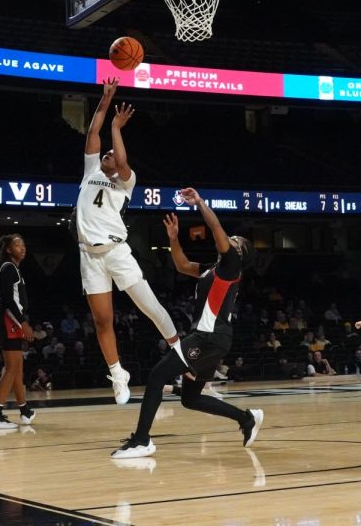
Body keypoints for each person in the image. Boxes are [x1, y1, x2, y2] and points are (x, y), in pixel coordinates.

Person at [111, 190, 263, 459]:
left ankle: (142, 440)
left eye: (234, 240)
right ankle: (246, 418)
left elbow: (215, 227)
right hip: (212, 339)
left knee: (157, 376)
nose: (229, 239)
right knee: (190, 399)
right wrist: (173, 239)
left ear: (239, 251)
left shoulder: (231, 265)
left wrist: (199, 203)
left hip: (207, 337)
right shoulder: (212, 269)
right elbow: (182, 265)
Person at [75, 79, 179, 405]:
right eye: (104, 153)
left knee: (149, 307)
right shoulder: (91, 169)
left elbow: (121, 160)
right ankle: (118, 374)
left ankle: (181, 350)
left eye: (110, 153)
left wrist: (118, 129)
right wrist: (106, 101)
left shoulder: (126, 182)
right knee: (102, 321)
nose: (106, 154)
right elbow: (93, 133)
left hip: (117, 252)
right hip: (89, 256)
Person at [0, 234, 37, 430]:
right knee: (12, 368)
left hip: (9, 320)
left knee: (17, 367)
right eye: (17, 245)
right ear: (8, 249)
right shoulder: (8, 268)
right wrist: (23, 323)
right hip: (8, 320)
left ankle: (24, 410)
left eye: (23, 244)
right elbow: (8, 301)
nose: (22, 248)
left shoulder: (14, 269)